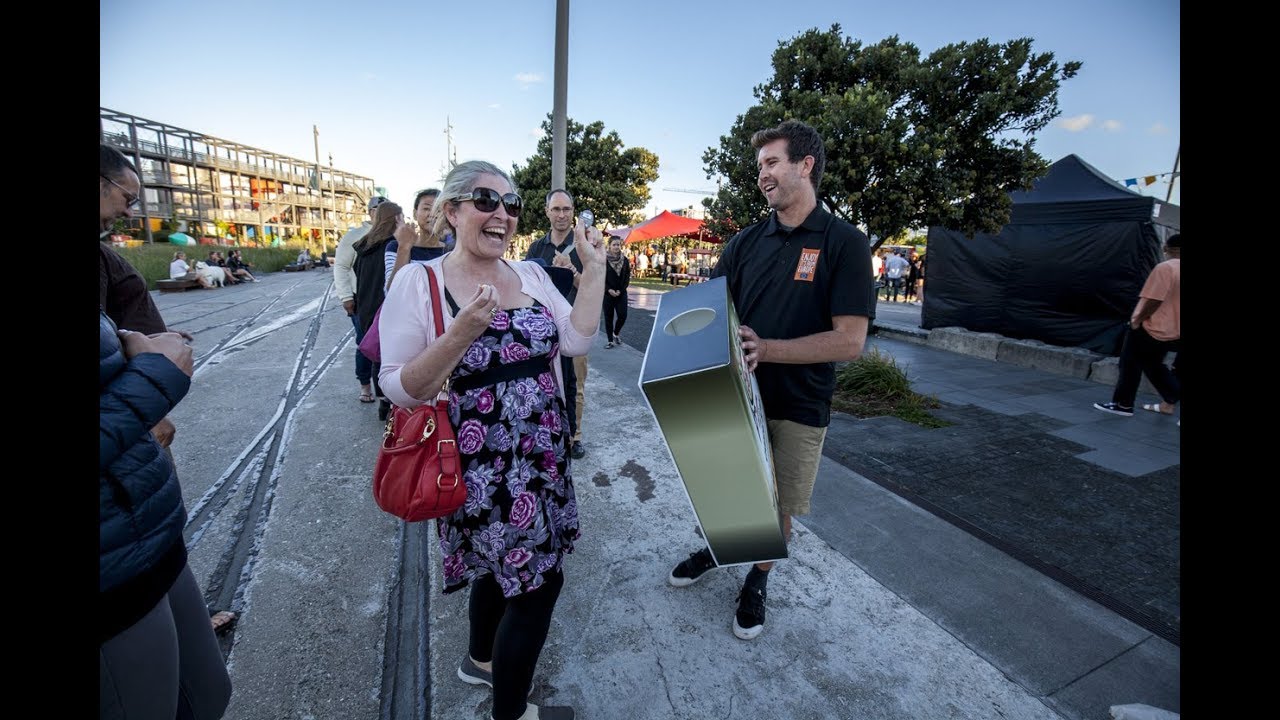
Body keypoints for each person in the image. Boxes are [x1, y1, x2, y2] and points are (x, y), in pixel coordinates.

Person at [379, 160, 604, 720]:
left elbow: (575, 340)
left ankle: (479, 659)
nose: (502, 213)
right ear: (453, 212)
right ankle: (512, 713)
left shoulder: (528, 275)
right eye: (486, 200)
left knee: (500, 572)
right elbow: (398, 388)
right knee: (538, 587)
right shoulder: (420, 281)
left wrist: (595, 271)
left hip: (543, 457)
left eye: (510, 204)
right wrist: (459, 334)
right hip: (481, 469)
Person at [666, 119, 873, 641]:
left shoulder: (845, 243)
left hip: (801, 403)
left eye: (772, 162)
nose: (762, 174)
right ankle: (719, 549)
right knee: (725, 487)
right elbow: (711, 309)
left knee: (780, 504)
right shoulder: (744, 243)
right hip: (735, 395)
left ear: (806, 166)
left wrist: (769, 349)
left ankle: (758, 579)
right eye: (760, 165)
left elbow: (850, 340)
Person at [100, 147, 232, 720]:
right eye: (125, 198)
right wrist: (157, 379)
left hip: (148, 530)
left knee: (208, 694)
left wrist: (133, 349)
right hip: (112, 562)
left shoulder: (106, 259)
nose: (127, 214)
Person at [524, 189, 591, 460]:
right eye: (556, 209)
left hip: (575, 324)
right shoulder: (536, 248)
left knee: (575, 383)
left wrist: (571, 271)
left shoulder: (585, 247)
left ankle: (574, 436)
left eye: (566, 209)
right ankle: (547, 429)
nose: (561, 215)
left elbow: (592, 287)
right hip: (543, 326)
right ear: (547, 212)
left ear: (573, 212)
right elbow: (525, 286)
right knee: (544, 380)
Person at [1094, 234, 1181, 419]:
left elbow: (1155, 299)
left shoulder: (1165, 268)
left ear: (1167, 248)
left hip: (1150, 326)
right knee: (1154, 365)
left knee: (1129, 364)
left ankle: (1123, 404)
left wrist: (1138, 319)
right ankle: (1171, 395)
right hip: (1172, 330)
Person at [354, 200, 405, 421]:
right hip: (384, 306)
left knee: (377, 356)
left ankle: (383, 403)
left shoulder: (364, 245)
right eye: (401, 217)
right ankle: (389, 403)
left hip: (365, 306)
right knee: (392, 356)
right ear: (395, 219)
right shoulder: (393, 245)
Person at [336, 196, 387, 404]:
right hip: (361, 299)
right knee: (366, 343)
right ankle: (365, 386)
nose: (381, 213)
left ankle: (385, 391)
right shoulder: (355, 236)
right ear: (370, 212)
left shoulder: (394, 235)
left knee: (388, 346)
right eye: (378, 209)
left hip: (386, 299)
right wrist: (346, 297)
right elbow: (341, 266)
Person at [385, 188, 448, 289]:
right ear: (415, 214)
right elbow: (391, 291)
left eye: (438, 210)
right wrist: (404, 249)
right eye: (427, 209)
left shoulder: (452, 250)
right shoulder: (396, 247)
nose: (432, 214)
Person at [602, 236, 631, 348]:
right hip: (607, 293)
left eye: (618, 244)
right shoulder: (603, 260)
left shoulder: (625, 260)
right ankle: (610, 341)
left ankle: (616, 333)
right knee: (608, 317)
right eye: (614, 244)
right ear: (609, 245)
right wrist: (608, 289)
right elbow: (600, 277)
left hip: (621, 293)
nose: (616, 247)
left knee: (623, 315)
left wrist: (621, 290)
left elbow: (627, 277)